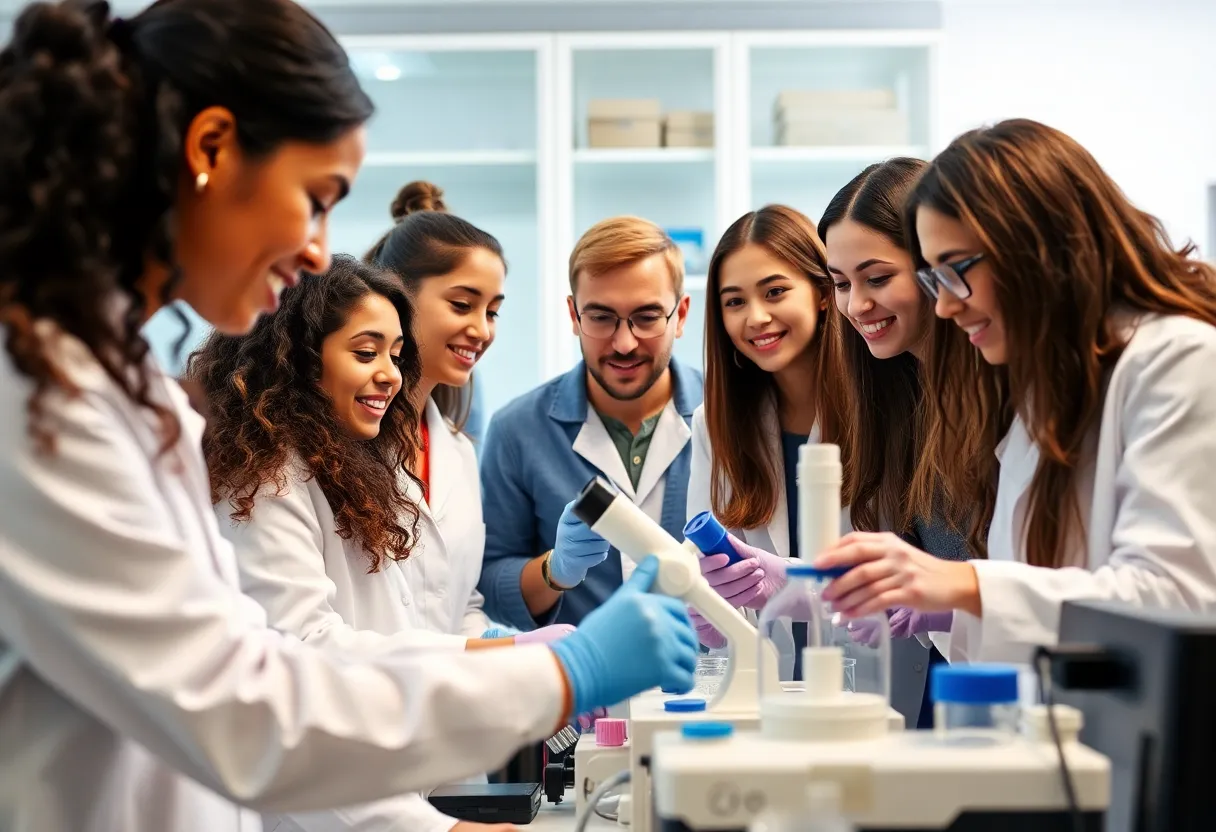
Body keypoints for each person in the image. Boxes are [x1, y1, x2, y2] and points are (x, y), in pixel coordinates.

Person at [0, 2, 697, 829]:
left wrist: (513, 656)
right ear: (211, 149)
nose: (313, 252)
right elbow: (251, 713)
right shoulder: (40, 402)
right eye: (316, 197)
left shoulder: (117, 390)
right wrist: (562, 673)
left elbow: (275, 668)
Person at [814, 118, 1216, 665]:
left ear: (1038, 247)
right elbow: (1043, 601)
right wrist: (951, 606)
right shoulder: (1042, 396)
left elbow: (1178, 600)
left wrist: (964, 587)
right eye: (935, 279)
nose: (948, 306)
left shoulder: (1180, 360)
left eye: (956, 271)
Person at [196, 254, 573, 832]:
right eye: (366, 353)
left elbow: (408, 626)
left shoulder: (365, 469)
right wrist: (500, 659)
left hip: (400, 773)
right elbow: (308, 664)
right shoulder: (264, 483)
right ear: (299, 358)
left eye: (396, 356)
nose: (392, 375)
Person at [818, 159, 1000, 726]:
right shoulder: (900, 401)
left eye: (877, 278)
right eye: (842, 284)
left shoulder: (994, 395)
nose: (856, 306)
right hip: (970, 691)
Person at [479, 216, 704, 628]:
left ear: (682, 314)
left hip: (714, 681)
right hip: (585, 686)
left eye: (647, 316)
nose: (624, 343)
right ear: (573, 314)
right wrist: (556, 570)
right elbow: (489, 581)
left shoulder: (729, 417)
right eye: (601, 317)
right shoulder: (516, 431)